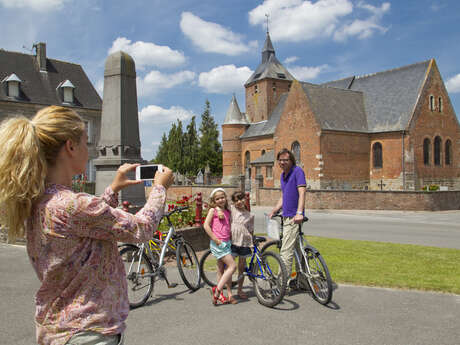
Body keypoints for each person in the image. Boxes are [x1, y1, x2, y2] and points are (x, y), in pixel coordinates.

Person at [0, 106, 174, 345]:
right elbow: (142, 228)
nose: (88, 148)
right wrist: (160, 188)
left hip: (57, 326)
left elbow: (83, 225)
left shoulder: (41, 200)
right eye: (85, 141)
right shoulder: (75, 204)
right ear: (71, 147)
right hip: (88, 331)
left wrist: (112, 191)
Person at [268, 148, 306, 287]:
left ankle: (281, 284)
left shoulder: (298, 171)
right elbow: (284, 196)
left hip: (294, 218)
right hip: (286, 217)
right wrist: (274, 210)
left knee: (285, 252)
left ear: (291, 160)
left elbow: (302, 193)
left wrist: (299, 213)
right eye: (280, 160)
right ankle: (302, 280)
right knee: (298, 251)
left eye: (286, 160)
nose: (283, 162)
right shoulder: (283, 175)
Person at [203, 188, 237, 305]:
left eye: (222, 197)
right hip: (219, 243)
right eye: (217, 199)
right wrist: (215, 239)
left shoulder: (227, 211)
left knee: (222, 269)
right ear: (214, 200)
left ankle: (228, 294)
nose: (221, 200)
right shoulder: (213, 210)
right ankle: (217, 290)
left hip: (226, 242)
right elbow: (206, 226)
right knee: (232, 266)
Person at [230, 191, 254, 300]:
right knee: (230, 267)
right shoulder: (231, 209)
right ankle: (229, 291)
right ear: (233, 202)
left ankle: (240, 289)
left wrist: (252, 243)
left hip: (244, 243)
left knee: (241, 268)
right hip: (233, 242)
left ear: (245, 199)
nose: (239, 202)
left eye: (241, 199)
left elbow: (251, 230)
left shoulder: (249, 215)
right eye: (236, 200)